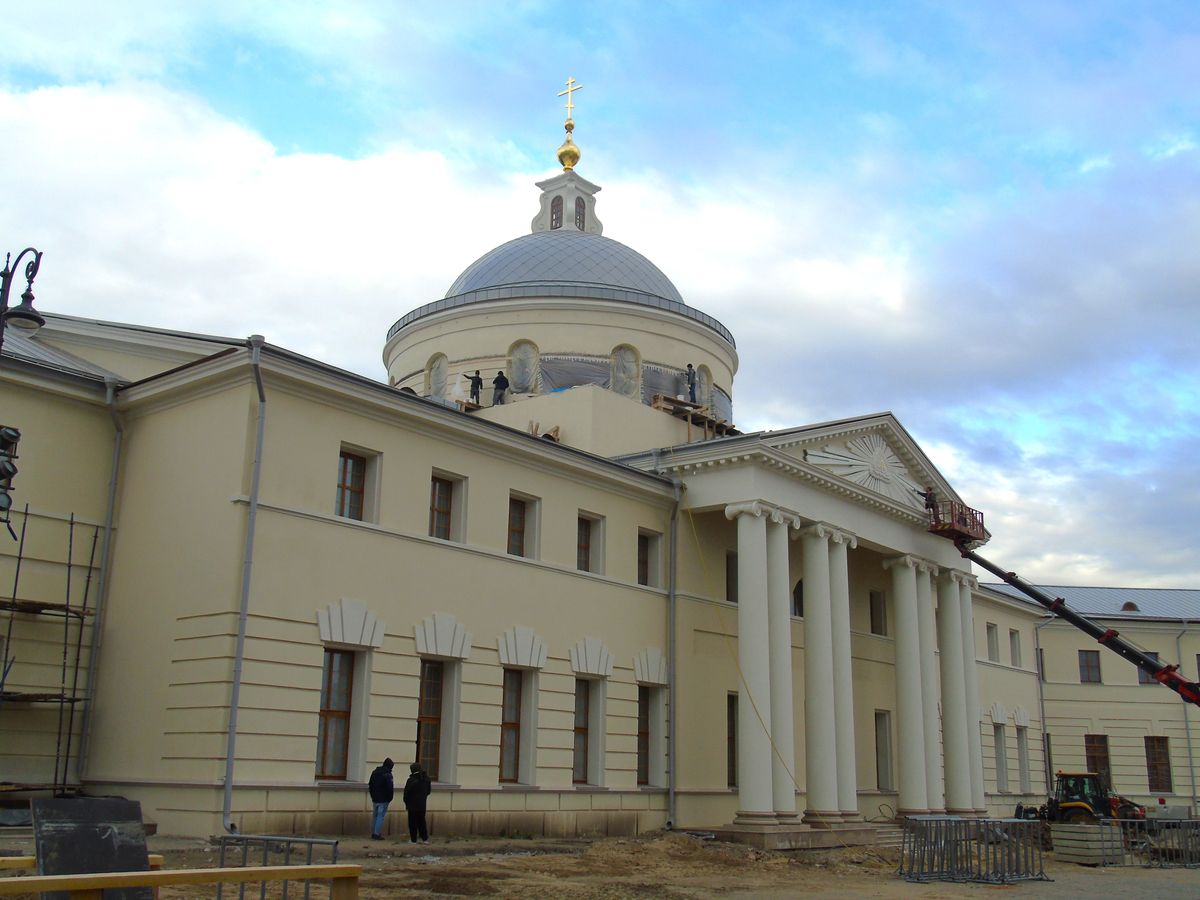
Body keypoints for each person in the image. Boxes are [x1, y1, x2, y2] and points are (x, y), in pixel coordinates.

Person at [403, 762, 432, 844]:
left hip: (412, 804)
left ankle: (413, 839)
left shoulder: (411, 780)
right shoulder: (426, 779)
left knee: (412, 823)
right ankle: (425, 839)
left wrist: (406, 802)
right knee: (422, 822)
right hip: (422, 804)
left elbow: (406, 793)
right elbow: (428, 791)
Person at [367, 757, 394, 840]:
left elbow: (370, 784)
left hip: (375, 798)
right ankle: (376, 833)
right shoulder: (387, 774)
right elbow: (390, 788)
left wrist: (372, 795)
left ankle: (374, 832)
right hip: (384, 799)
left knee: (375, 816)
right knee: (380, 816)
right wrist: (390, 798)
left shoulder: (375, 772)